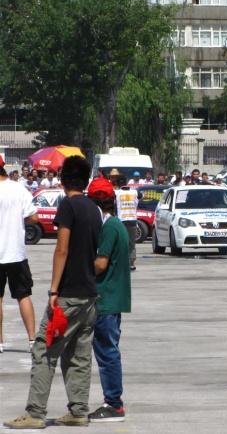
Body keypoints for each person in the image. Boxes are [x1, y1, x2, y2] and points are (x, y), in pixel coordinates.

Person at [4, 156, 101, 429]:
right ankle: (79, 409)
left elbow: (62, 249)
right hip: (89, 294)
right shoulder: (93, 209)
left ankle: (35, 412)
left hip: (68, 294)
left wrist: (54, 289)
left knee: (44, 351)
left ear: (62, 180)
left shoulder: (69, 206)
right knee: (79, 356)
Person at [86, 178, 131, 423]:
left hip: (106, 299)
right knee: (108, 351)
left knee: (107, 353)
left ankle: (114, 403)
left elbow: (101, 264)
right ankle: (112, 401)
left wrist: (80, 273)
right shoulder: (117, 225)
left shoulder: (110, 227)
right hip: (111, 298)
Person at [0, 155, 37, 354]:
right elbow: (33, 217)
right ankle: (32, 340)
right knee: (23, 295)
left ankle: (0, 342)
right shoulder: (18, 188)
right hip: (16, 252)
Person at [114, 176, 139, 271]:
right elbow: (142, 196)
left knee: (121, 242)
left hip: (121, 220)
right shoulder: (135, 192)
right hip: (132, 220)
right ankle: (132, 263)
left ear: (118, 184)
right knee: (132, 243)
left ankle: (121, 262)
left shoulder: (116, 193)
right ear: (126, 182)